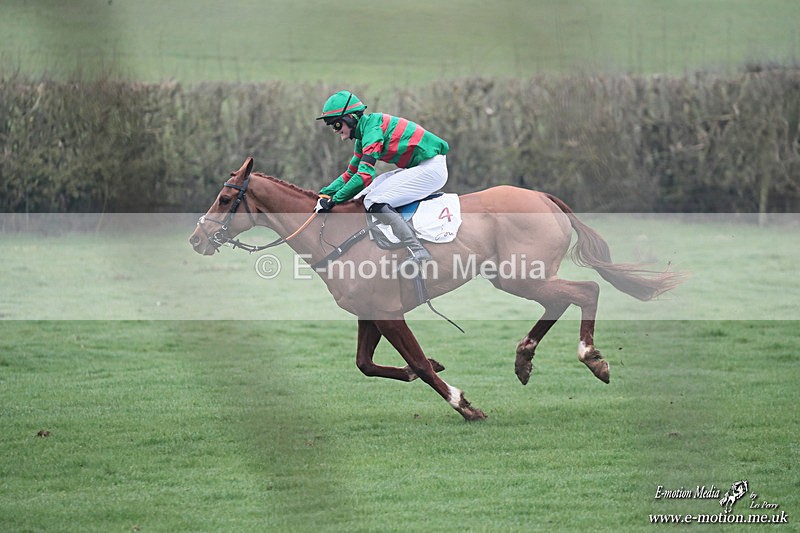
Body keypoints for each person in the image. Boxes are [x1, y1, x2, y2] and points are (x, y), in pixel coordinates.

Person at [314, 90, 449, 264]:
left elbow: (364, 176)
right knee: (361, 197)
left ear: (351, 118)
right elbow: (350, 174)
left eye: (336, 125)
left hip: (431, 169)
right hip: (422, 166)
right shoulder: (364, 135)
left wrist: (333, 201)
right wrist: (323, 194)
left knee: (373, 200)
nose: (334, 130)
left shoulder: (373, 131)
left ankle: (418, 250)